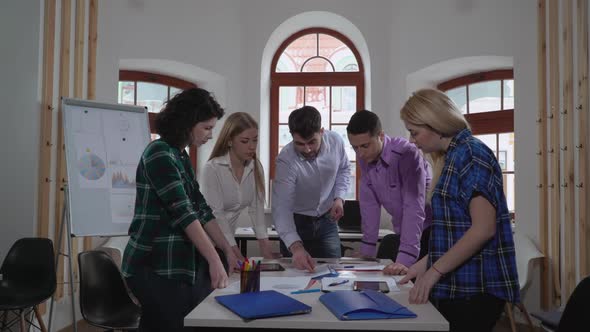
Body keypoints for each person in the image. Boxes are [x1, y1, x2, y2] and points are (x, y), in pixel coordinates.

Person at [395, 88, 519, 332]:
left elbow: (483, 229)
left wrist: (434, 272)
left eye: (414, 132)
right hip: (460, 286)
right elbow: (457, 233)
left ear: (434, 124)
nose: (412, 140)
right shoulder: (451, 157)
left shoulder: (471, 154)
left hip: (476, 288)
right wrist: (423, 265)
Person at [121, 88, 238, 331]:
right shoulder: (159, 153)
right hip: (153, 264)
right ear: (187, 123)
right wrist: (214, 258)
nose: (210, 135)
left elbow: (201, 209)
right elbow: (184, 213)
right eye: (206, 128)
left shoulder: (180, 155)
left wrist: (227, 250)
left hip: (178, 263)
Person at [346, 110, 432, 275]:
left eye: (365, 145)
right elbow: (369, 203)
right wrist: (367, 251)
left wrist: (404, 260)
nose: (360, 153)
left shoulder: (407, 154)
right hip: (403, 232)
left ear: (381, 136)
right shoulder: (365, 156)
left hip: (429, 232)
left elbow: (413, 207)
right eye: (355, 147)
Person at [272, 105, 351, 271]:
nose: (307, 149)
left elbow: (344, 169)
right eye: (300, 144)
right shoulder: (286, 160)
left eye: (312, 142)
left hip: (327, 220)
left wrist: (339, 198)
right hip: (296, 222)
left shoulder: (336, 141)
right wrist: (296, 247)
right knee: (292, 276)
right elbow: (282, 207)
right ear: (292, 136)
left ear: (321, 131)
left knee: (333, 272)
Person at [202, 112, 273, 260]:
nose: (252, 147)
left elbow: (257, 210)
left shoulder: (255, 167)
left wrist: (266, 249)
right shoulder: (213, 168)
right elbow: (216, 214)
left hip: (227, 243)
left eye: (255, 140)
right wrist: (235, 252)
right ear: (229, 141)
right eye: (245, 141)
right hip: (206, 243)